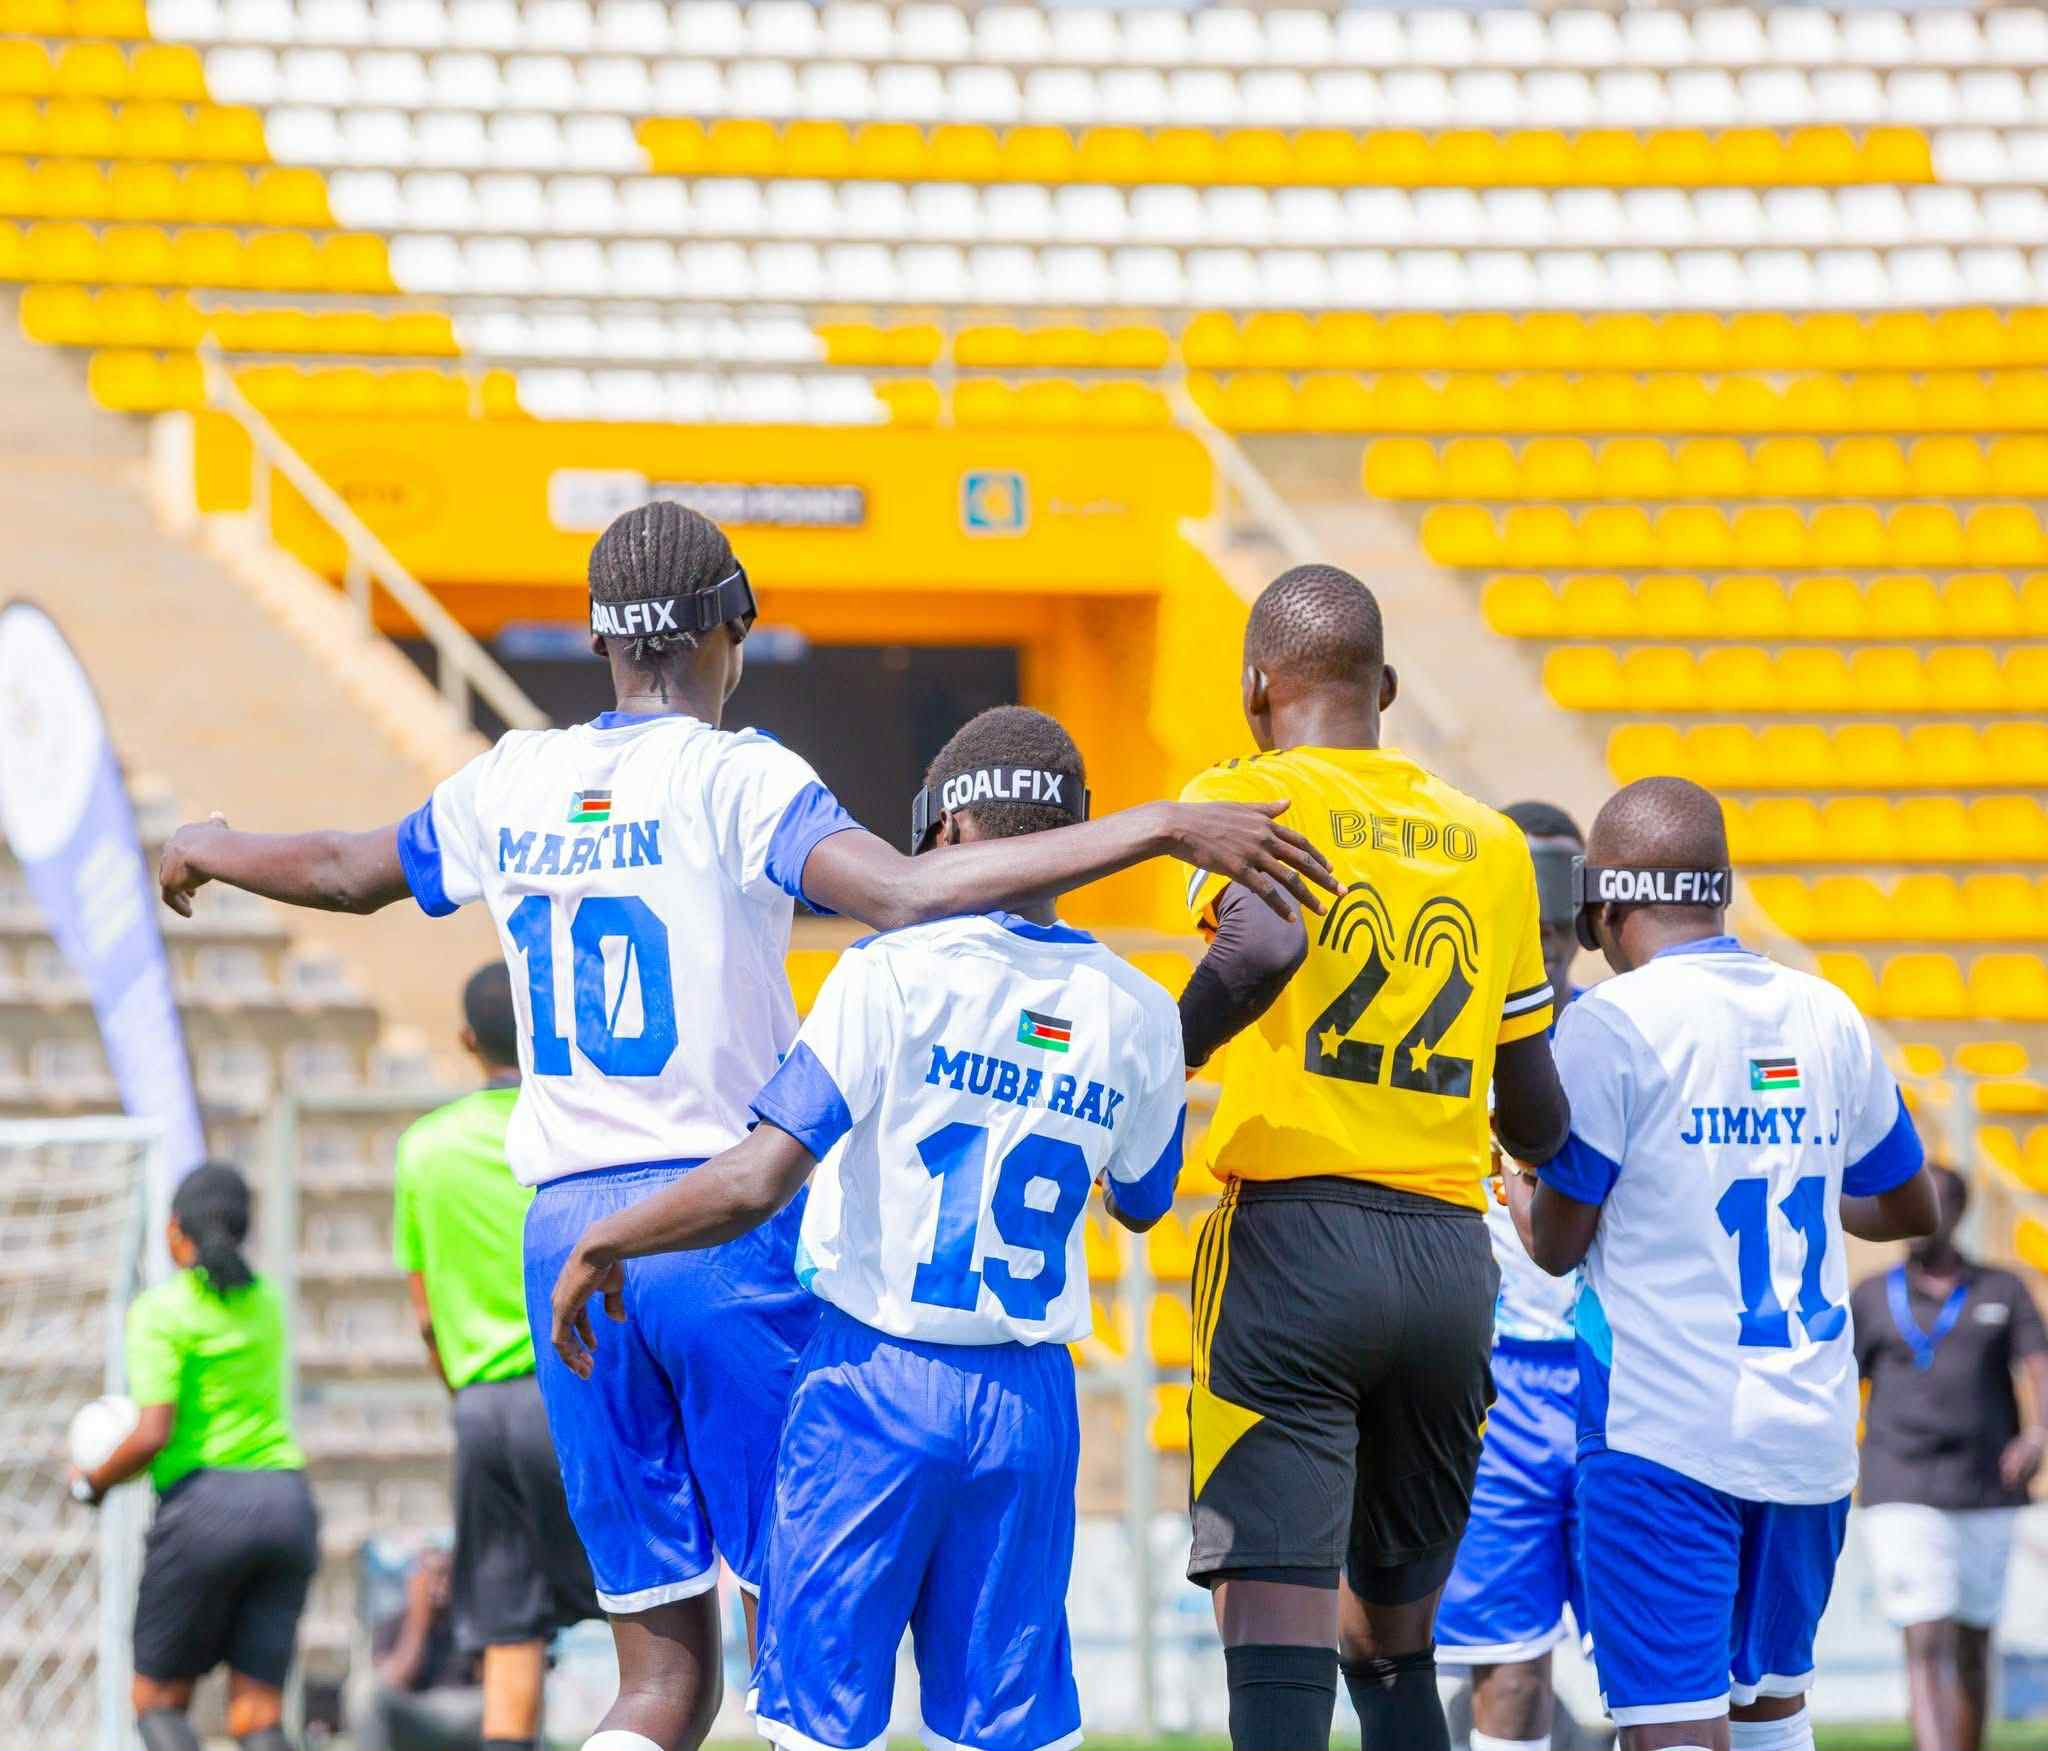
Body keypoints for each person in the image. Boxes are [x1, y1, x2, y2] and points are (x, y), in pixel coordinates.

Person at [156, 500, 1336, 1751]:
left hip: (566, 1238)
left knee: (658, 1688)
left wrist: (214, 846)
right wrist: (1157, 823)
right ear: (733, 625)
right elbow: (904, 892)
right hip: (725, 1216)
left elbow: (348, 871)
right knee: (800, 1658)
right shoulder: (740, 776)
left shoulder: (511, 778)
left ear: (600, 638)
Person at [548, 705, 1188, 1751]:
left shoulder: (891, 969)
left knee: (818, 1726)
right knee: (1006, 1734)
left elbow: (759, 1176)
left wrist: (607, 1237)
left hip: (873, 1382)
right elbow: (1143, 1197)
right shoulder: (1140, 1007)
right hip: (1026, 1400)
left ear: (945, 829)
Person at [1171, 564, 1572, 1751]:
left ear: (1255, 687)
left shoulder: (1242, 796)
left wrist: (1151, 1061)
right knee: (1393, 1649)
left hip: (1292, 1241)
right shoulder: (1490, 840)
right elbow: (1534, 1110)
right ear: (1384, 687)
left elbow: (1259, 944)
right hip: (1447, 1263)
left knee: (1276, 1640)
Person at [1507, 776, 1940, 1751]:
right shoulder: (1823, 1011)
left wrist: (1514, 1179)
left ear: (1603, 907)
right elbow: (1909, 1204)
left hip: (1664, 1435)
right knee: (1773, 1710)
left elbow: (1554, 1246)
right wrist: (1779, 1170)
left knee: (1671, 1726)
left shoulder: (1610, 1022)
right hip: (1809, 1435)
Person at [392, 962, 600, 1751]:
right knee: (645, 1602)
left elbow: (424, 1315)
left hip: (481, 1408)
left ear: (465, 1040)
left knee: (508, 1622)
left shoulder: (423, 1147)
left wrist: (466, 1395)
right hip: (576, 1388)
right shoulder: (575, 1126)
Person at [68, 1163, 320, 1751]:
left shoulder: (161, 1311)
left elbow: (152, 1433)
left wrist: (92, 1482)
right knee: (257, 1714)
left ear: (175, 1231)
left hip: (207, 1507)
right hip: (287, 1506)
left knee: (157, 1700)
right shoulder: (267, 1302)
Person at [1436, 801, 1589, 1751]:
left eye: (1564, 912)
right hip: (1498, 1383)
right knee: (1510, 1665)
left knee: (1661, 1667)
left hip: (1625, 1372)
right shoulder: (1446, 1038)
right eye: (1531, 913)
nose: (1549, 934)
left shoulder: (1624, 1035)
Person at [1852, 1164, 2048, 1751]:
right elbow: (1838, 1383)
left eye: (1930, 1204)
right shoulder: (1872, 1296)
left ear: (1959, 1212)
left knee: (1972, 1640)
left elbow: (2038, 1367)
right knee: (1924, 1633)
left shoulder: (2003, 1289)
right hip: (1901, 1483)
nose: (1915, 1219)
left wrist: (2038, 1434)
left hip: (1988, 1486)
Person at [356, 1548, 486, 1751]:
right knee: (365, 1692)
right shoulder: (391, 1624)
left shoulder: (469, 1623)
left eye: (447, 1575)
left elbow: (489, 1682)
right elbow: (394, 1681)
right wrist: (419, 1618)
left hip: (465, 1710)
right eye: (434, 1575)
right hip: (417, 1712)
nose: (441, 1584)